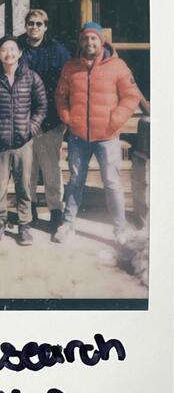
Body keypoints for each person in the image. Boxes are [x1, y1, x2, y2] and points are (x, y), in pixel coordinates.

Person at [54, 22, 141, 243]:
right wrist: (68, 118)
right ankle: (68, 224)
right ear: (81, 42)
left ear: (101, 41)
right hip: (78, 137)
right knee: (75, 181)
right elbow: (61, 96)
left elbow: (131, 96)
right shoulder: (71, 67)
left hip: (107, 138)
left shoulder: (118, 66)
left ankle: (120, 229)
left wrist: (116, 120)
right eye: (86, 39)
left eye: (94, 38)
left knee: (112, 183)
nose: (90, 43)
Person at [0, 35, 47, 246]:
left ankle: (24, 225)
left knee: (24, 185)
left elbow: (42, 106)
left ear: (20, 52)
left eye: (12, 49)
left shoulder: (31, 77)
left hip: (23, 142)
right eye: (4, 50)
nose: (9, 53)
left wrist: (31, 128)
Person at [20, 9, 71, 232]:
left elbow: (69, 83)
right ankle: (27, 212)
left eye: (39, 24)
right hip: (22, 120)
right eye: (31, 23)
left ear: (46, 27)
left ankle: (55, 212)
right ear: (25, 26)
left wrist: (65, 115)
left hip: (50, 120)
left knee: (51, 169)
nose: (34, 27)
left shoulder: (58, 51)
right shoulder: (17, 48)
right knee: (27, 169)